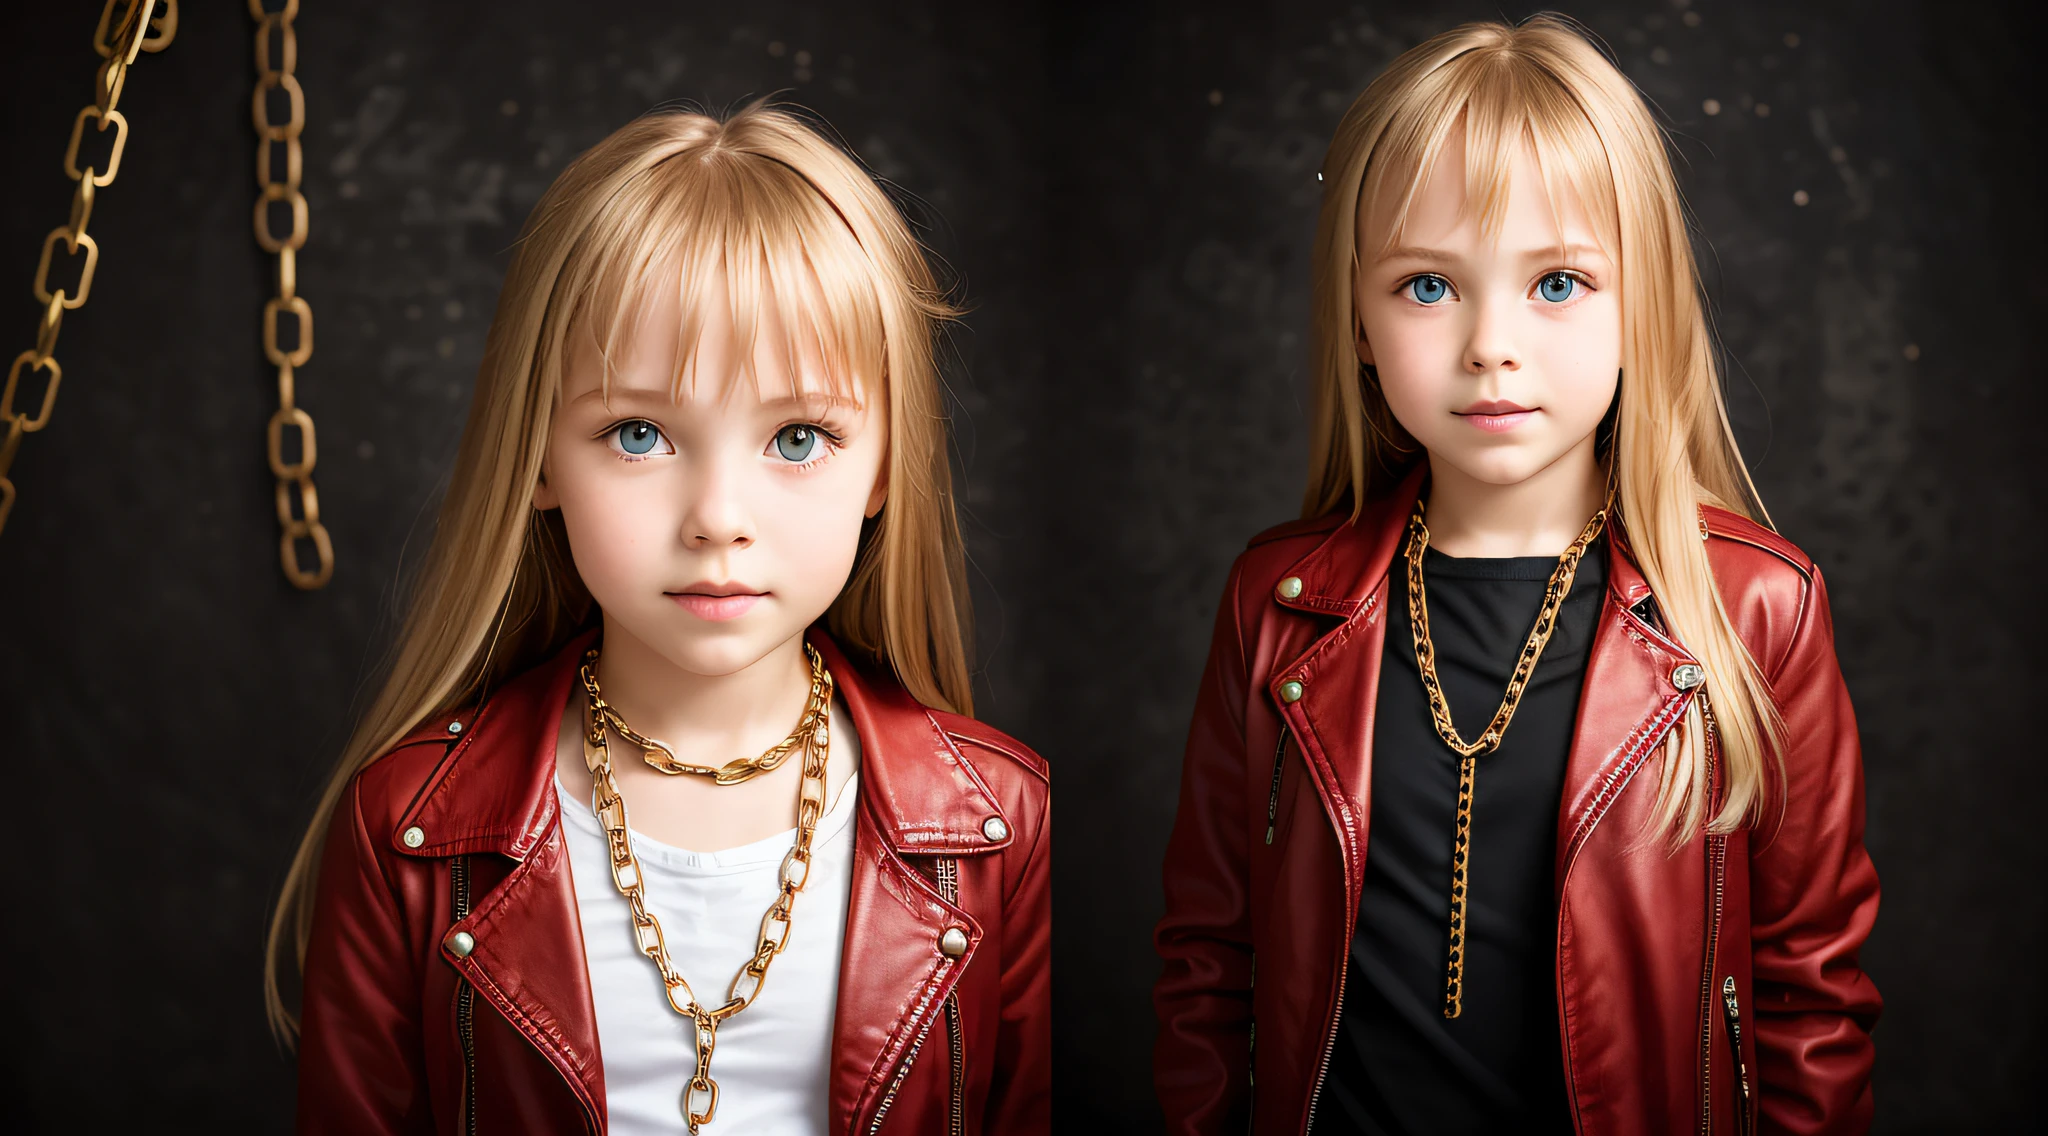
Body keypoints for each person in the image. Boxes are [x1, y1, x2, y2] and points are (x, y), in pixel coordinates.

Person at [1152, 17, 1879, 1135]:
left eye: (1556, 282)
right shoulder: (1276, 604)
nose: (1491, 342)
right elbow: (1209, 961)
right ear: (1356, 315)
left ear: (1641, 301)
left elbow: (1807, 996)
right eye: (1427, 287)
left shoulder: (1755, 611)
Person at [265, 104, 1050, 1136]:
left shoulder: (995, 819)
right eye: (637, 432)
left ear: (887, 466)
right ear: (538, 453)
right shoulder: (408, 827)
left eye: (800, 435)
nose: (717, 518)